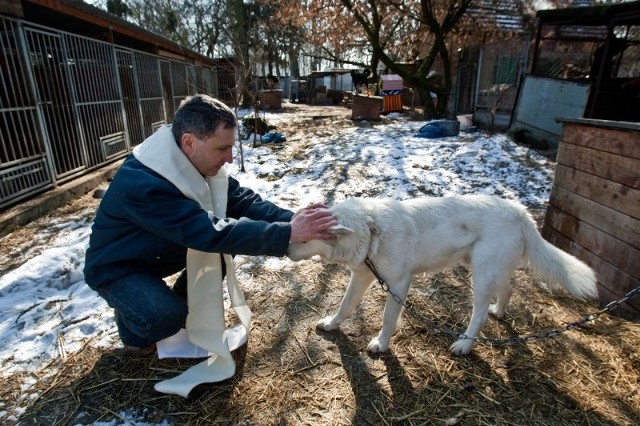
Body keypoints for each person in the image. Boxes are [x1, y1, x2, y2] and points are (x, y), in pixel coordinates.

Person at [84, 94, 337, 355]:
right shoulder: (144, 183)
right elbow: (207, 232)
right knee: (164, 318)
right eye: (221, 149)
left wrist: (292, 219)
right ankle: (135, 326)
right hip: (118, 267)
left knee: (220, 254)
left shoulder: (190, 158)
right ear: (189, 142)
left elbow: (242, 201)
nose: (229, 158)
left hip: (158, 250)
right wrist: (288, 233)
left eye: (230, 147)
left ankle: (173, 305)